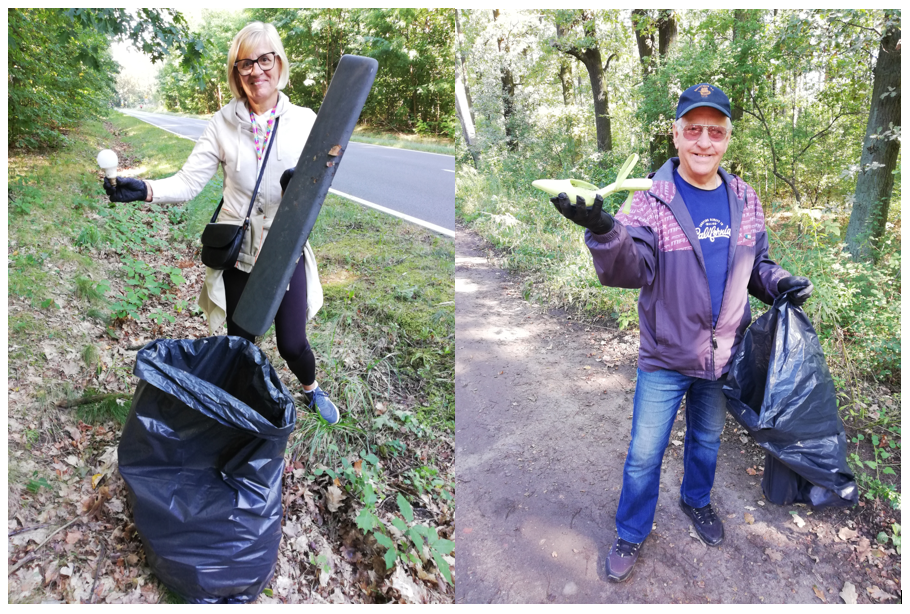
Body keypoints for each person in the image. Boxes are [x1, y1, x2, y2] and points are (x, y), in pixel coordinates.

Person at [551, 83, 813, 582]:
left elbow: (756, 265)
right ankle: (630, 531)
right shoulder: (651, 197)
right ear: (676, 134)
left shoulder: (744, 197)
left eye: (715, 131)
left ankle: (697, 502)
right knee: (643, 455)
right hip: (665, 358)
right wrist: (606, 230)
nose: (704, 142)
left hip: (721, 357)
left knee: (706, 442)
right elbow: (631, 268)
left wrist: (780, 282)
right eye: (693, 129)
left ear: (728, 138)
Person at [104, 22, 340, 424]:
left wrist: (301, 185)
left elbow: (324, 177)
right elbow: (189, 181)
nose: (256, 71)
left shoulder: (304, 120)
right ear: (236, 72)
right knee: (239, 339)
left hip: (284, 247)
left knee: (293, 342)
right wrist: (143, 189)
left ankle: (311, 389)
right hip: (237, 248)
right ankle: (240, 405)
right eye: (245, 63)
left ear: (278, 63)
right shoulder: (222, 123)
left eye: (264, 59)